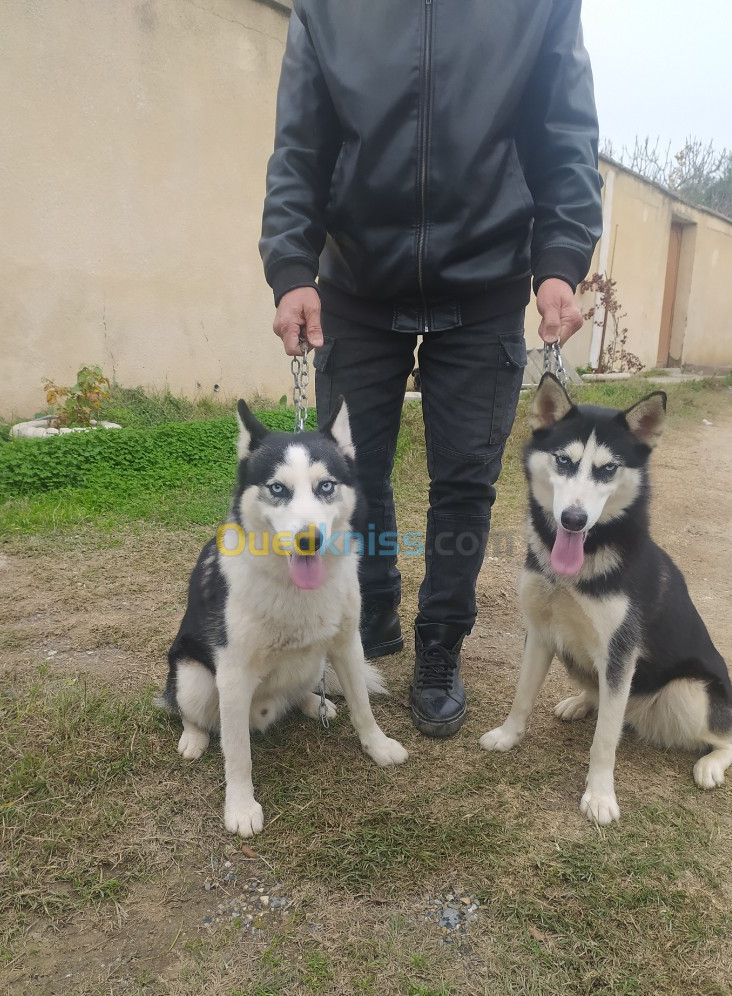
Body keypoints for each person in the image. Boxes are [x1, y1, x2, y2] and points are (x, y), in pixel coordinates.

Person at [259, 0, 603, 738]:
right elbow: (300, 145)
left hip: (483, 285)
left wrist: (560, 263)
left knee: (464, 483)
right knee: (352, 469)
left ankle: (440, 645)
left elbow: (563, 136)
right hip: (354, 281)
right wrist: (292, 266)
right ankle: (373, 604)